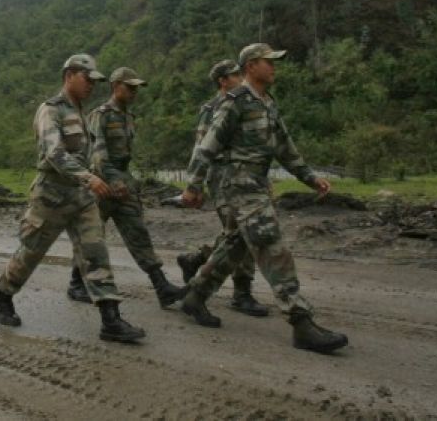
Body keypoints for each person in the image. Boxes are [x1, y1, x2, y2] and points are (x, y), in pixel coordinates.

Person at [179, 44, 348, 354]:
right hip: (238, 186)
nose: (274, 67)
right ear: (251, 66)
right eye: (268, 62)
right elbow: (207, 146)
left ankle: (195, 295)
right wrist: (193, 185)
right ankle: (301, 322)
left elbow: (285, 147)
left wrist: (309, 177)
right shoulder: (235, 102)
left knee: (235, 245)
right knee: (272, 246)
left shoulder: (268, 103)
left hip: (256, 184)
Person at [0, 54, 146, 343]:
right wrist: (89, 177)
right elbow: (55, 153)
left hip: (81, 197)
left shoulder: (82, 112)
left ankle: (110, 319)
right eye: (87, 79)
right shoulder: (50, 110)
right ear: (69, 75)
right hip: (51, 195)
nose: (91, 85)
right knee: (31, 252)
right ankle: (3, 295)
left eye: (95, 81)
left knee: (95, 250)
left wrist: (92, 179)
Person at [65, 67, 184, 308]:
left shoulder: (129, 117)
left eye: (136, 88)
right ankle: (76, 284)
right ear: (115, 86)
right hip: (101, 184)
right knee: (91, 237)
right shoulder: (101, 114)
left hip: (123, 181)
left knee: (137, 231)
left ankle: (162, 286)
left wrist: (124, 181)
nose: (134, 92)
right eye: (129, 87)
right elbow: (98, 153)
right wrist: (112, 180)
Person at [176, 59, 269, 317]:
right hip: (223, 179)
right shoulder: (212, 108)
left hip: (247, 180)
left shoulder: (249, 102)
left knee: (236, 232)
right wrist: (195, 184)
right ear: (222, 81)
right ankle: (241, 294)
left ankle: (197, 259)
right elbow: (202, 147)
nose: (240, 78)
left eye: (241, 73)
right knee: (244, 231)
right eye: (235, 75)